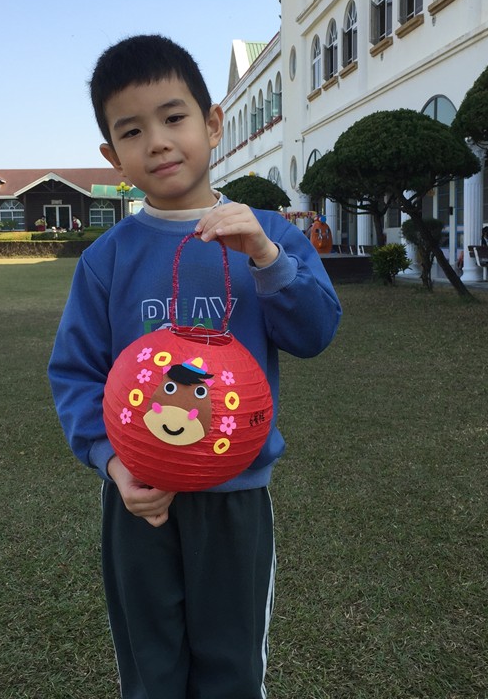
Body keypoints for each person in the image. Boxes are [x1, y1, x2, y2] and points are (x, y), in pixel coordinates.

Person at [47, 34, 342, 698]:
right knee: (151, 671)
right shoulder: (108, 259)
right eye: (132, 130)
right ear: (112, 156)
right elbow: (76, 372)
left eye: (173, 118)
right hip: (139, 501)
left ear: (212, 125)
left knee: (231, 669)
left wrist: (266, 259)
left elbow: (315, 332)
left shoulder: (269, 235)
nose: (157, 142)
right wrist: (114, 465)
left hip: (235, 501)